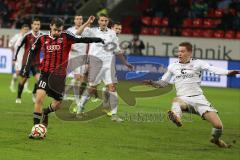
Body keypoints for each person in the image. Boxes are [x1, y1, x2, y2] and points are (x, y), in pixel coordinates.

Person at [143, 42, 240, 148]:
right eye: (179, 51)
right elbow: (163, 83)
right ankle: (176, 117)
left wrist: (228, 72)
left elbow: (212, 69)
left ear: (189, 52)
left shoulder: (198, 63)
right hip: (184, 99)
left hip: (199, 99)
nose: (179, 53)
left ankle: (216, 140)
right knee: (176, 100)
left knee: (218, 126)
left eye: (182, 51)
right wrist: (153, 83)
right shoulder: (173, 66)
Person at [21, 17, 104, 139]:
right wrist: (27, 68)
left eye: (59, 30)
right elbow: (32, 52)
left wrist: (97, 39)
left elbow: (82, 39)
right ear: (50, 26)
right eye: (55, 30)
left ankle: (46, 112)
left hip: (59, 77)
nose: (57, 33)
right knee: (38, 99)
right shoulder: (42, 38)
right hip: (45, 74)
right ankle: (35, 129)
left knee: (57, 105)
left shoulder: (66, 36)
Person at [75, 14, 133, 122]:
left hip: (108, 64)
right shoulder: (92, 31)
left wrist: (125, 63)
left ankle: (114, 115)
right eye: (102, 20)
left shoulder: (112, 34)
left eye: (106, 20)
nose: (104, 22)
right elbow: (78, 32)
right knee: (92, 88)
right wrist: (88, 22)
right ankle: (80, 108)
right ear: (99, 21)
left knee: (112, 87)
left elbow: (117, 50)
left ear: (108, 22)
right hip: (96, 64)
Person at [14, 18, 42, 104]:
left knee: (39, 80)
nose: (36, 26)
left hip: (36, 63)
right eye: (35, 24)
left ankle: (34, 93)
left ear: (39, 26)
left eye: (38, 24)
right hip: (26, 62)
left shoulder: (42, 37)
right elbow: (18, 47)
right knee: (23, 81)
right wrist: (15, 58)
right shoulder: (27, 36)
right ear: (32, 25)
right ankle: (18, 96)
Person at [65, 15, 89, 107]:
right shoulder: (69, 30)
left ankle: (65, 93)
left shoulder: (86, 30)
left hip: (83, 57)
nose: (79, 21)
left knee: (79, 80)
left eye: (80, 19)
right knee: (78, 78)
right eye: (77, 19)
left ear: (82, 20)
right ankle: (78, 100)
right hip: (73, 56)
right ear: (74, 20)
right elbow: (65, 41)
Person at [9, 24, 30, 93]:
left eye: (27, 30)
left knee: (26, 73)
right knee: (18, 73)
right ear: (21, 29)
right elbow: (10, 44)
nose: (26, 31)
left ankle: (25, 88)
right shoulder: (17, 36)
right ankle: (12, 84)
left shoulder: (29, 38)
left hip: (26, 58)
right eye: (25, 29)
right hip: (18, 58)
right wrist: (14, 57)